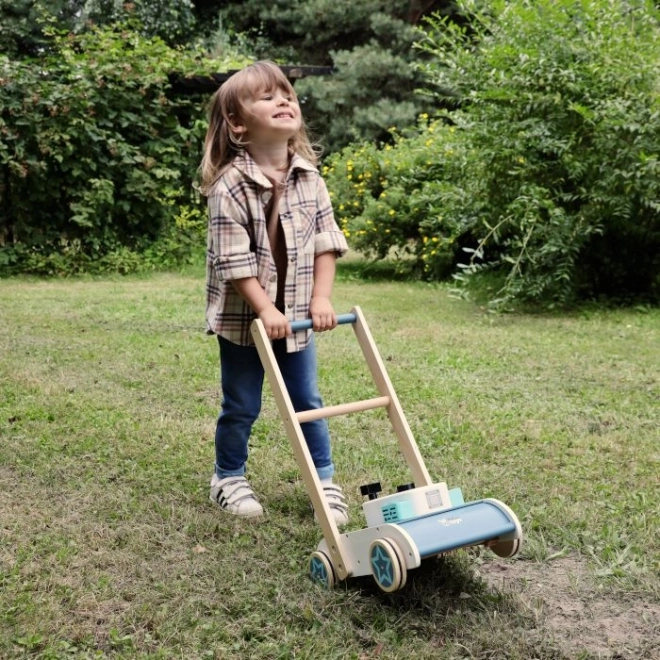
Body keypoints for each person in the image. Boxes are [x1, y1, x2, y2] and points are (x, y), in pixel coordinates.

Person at [198, 61, 349, 524]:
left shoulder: (311, 178)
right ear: (238, 124)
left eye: (287, 94)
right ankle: (228, 477)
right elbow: (234, 261)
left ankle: (322, 481)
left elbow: (327, 243)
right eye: (267, 97)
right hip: (246, 322)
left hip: (298, 317)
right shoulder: (229, 187)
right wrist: (264, 308)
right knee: (242, 402)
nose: (284, 100)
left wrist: (320, 299)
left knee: (308, 400)